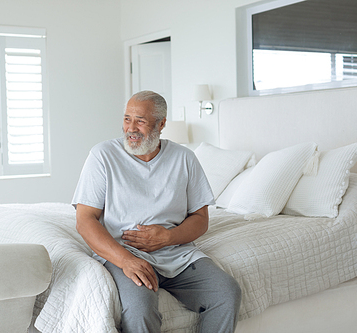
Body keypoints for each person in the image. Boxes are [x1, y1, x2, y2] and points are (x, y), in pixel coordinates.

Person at [72, 90, 241, 333]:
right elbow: (84, 220)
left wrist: (168, 237)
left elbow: (201, 219)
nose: (131, 128)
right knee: (140, 309)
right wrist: (126, 261)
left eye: (140, 121)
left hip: (177, 254)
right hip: (125, 252)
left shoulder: (185, 158)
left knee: (226, 293)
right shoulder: (103, 155)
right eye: (127, 118)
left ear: (161, 124)